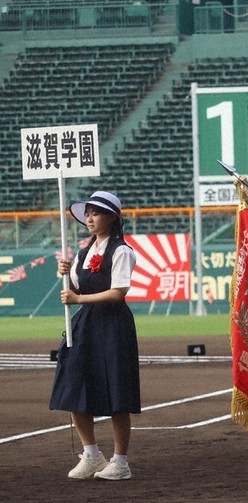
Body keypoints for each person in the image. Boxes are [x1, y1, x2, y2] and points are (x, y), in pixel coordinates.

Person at [50, 191, 139, 480]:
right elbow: (75, 288)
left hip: (113, 326)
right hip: (86, 325)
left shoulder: (122, 251)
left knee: (117, 391)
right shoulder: (84, 253)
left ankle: (120, 462)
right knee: (74, 384)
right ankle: (91, 454)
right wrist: (65, 274)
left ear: (112, 218)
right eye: (87, 213)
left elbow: (118, 292)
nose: (89, 218)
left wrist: (78, 299)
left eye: (96, 213)